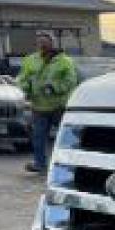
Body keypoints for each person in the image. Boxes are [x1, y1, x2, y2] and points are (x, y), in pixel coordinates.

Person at [16, 31, 79, 174]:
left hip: (59, 107)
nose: (42, 45)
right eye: (40, 42)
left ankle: (69, 164)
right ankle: (40, 164)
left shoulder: (64, 61)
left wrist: (54, 88)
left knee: (66, 138)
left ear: (52, 43)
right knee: (38, 138)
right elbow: (22, 78)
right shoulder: (30, 60)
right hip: (39, 107)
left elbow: (70, 81)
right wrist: (25, 87)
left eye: (45, 42)